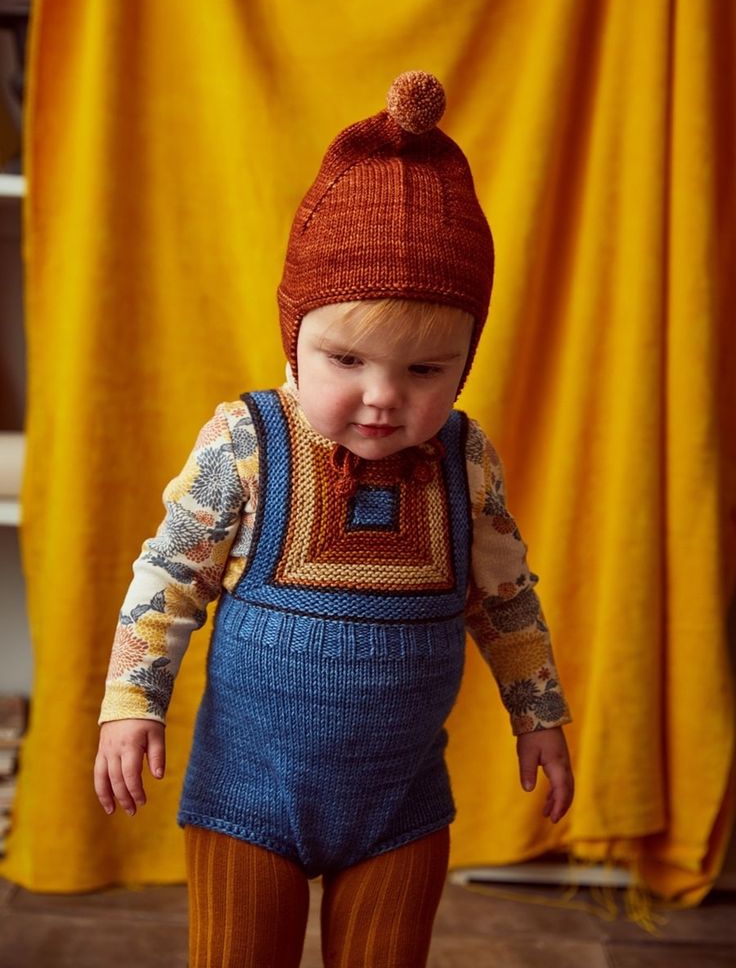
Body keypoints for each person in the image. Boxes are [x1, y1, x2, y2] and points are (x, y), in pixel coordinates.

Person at [94, 70, 574, 967]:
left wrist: (537, 714)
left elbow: (507, 600)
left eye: (425, 371)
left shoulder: (465, 462)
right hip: (248, 797)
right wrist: (133, 702)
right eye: (346, 359)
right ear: (295, 337)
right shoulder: (248, 442)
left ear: (465, 362)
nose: (383, 398)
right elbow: (169, 576)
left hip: (398, 806)